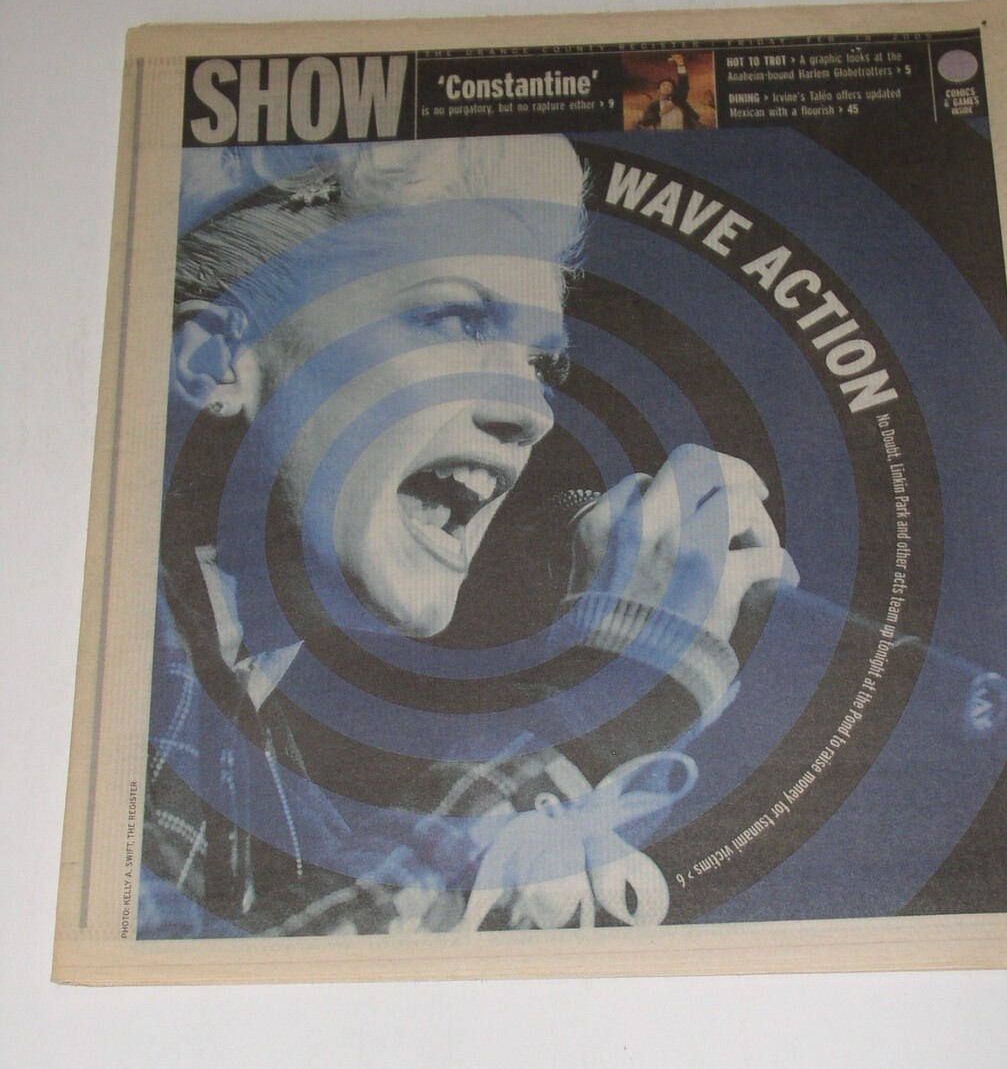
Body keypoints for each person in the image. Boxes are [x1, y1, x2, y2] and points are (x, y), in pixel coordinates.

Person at [140, 135, 796, 937]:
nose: (532, 414)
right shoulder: (86, 669)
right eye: (455, 320)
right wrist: (589, 712)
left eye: (540, 366)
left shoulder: (284, 805)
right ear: (217, 362)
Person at [636, 53, 703, 130]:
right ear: (658, 90)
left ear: (673, 90)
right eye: (663, 85)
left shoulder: (680, 101)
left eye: (669, 86)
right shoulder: (653, 106)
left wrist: (680, 64)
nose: (666, 87)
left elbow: (683, 87)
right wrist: (662, 112)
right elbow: (646, 122)